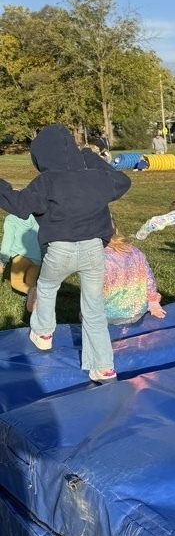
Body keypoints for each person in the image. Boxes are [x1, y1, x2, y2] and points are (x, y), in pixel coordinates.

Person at [0, 123, 131, 383]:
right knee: (94, 309)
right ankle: (104, 366)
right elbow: (122, 181)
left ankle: (44, 333)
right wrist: (91, 157)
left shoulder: (46, 181)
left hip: (60, 249)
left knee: (47, 287)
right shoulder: (96, 177)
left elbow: (20, 205)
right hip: (94, 249)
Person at [104, 224, 166, 325]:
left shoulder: (96, 258)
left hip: (109, 316)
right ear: (115, 229)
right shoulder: (134, 250)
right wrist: (153, 302)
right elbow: (149, 280)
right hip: (140, 310)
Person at [0, 212, 42, 311]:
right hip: (37, 258)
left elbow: (7, 242)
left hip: (20, 256)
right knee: (31, 283)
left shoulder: (11, 219)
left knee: (16, 282)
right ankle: (36, 308)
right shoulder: (39, 217)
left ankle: (35, 295)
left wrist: (2, 260)